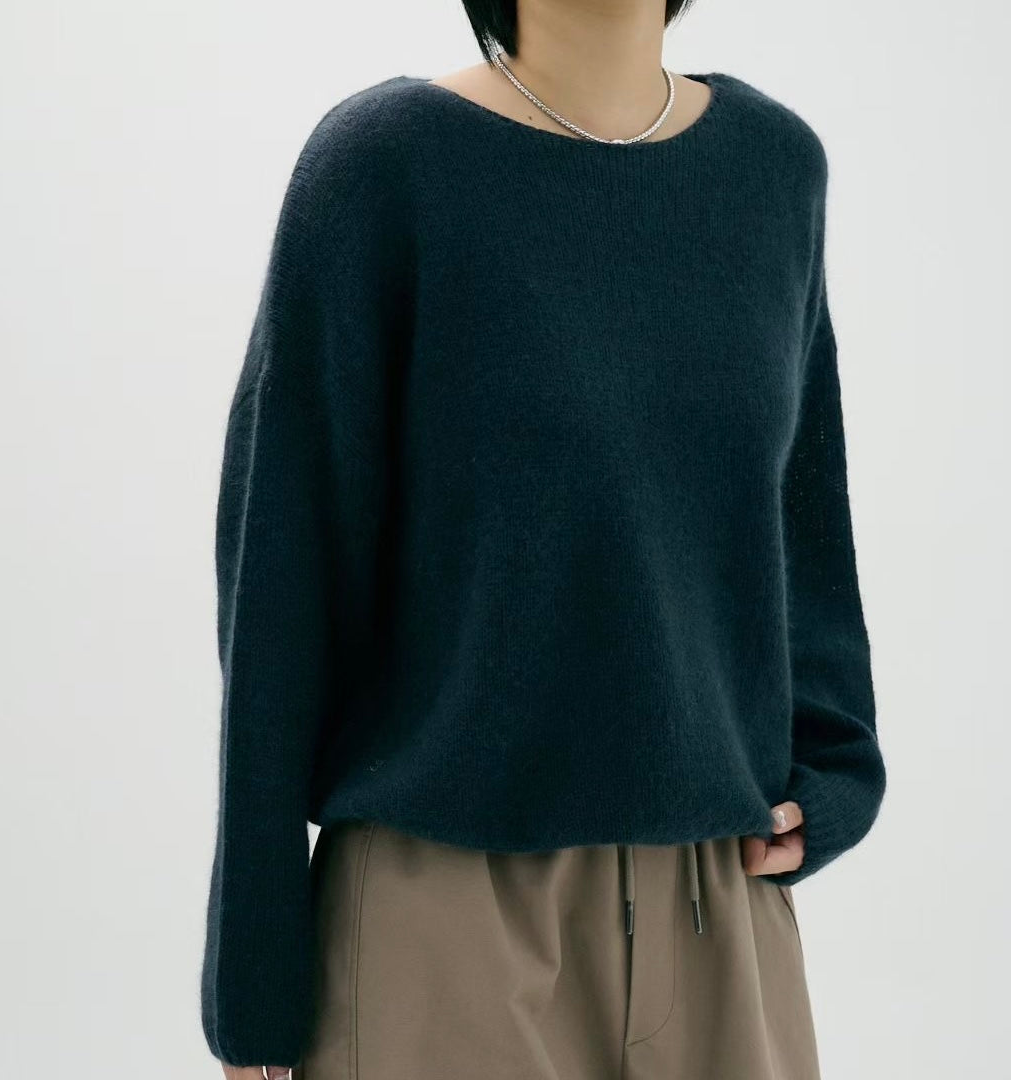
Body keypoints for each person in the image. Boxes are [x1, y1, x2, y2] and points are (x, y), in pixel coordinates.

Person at [199, 1, 888, 1077]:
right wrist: (256, 978)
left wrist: (837, 767)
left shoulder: (773, 169)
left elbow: (802, 518)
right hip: (445, 915)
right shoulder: (387, 166)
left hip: (723, 904)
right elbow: (284, 575)